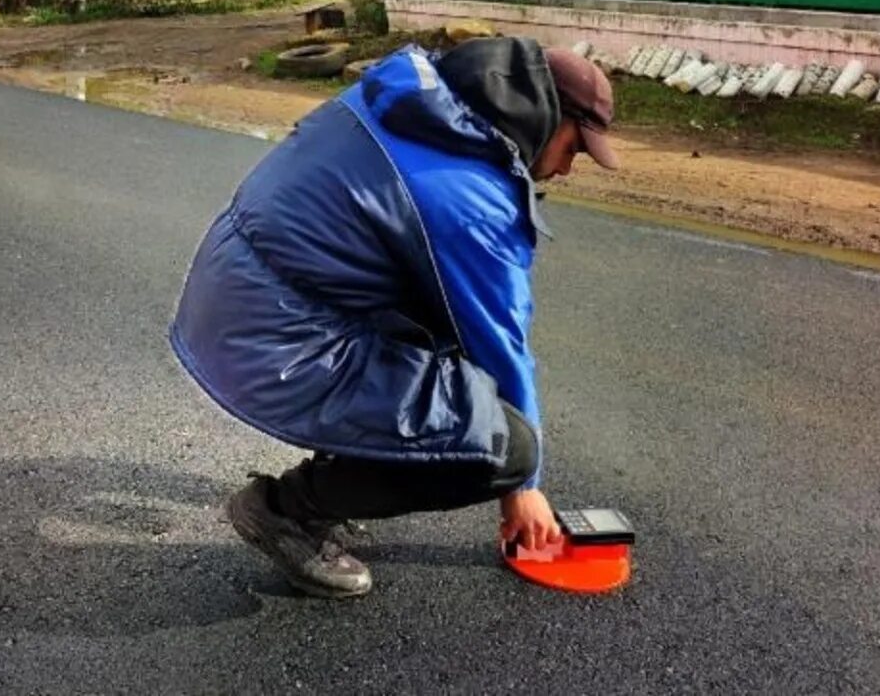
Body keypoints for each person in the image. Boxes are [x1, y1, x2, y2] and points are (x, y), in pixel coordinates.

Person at [169, 36, 618, 598]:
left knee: (440, 330)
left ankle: (339, 478)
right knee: (505, 444)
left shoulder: (418, 96)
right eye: (574, 149)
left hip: (237, 291)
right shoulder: (468, 196)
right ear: (547, 118)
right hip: (274, 337)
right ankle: (284, 510)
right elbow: (502, 343)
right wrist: (523, 486)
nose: (569, 170)